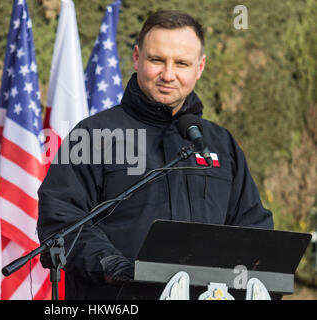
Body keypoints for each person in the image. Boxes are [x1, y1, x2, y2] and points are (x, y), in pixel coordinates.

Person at [37, 10, 273, 300]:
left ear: (199, 67)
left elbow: (254, 228)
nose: (168, 75)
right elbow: (61, 219)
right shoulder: (93, 135)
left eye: (182, 63)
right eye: (157, 60)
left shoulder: (221, 144)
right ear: (137, 58)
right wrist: (110, 266)